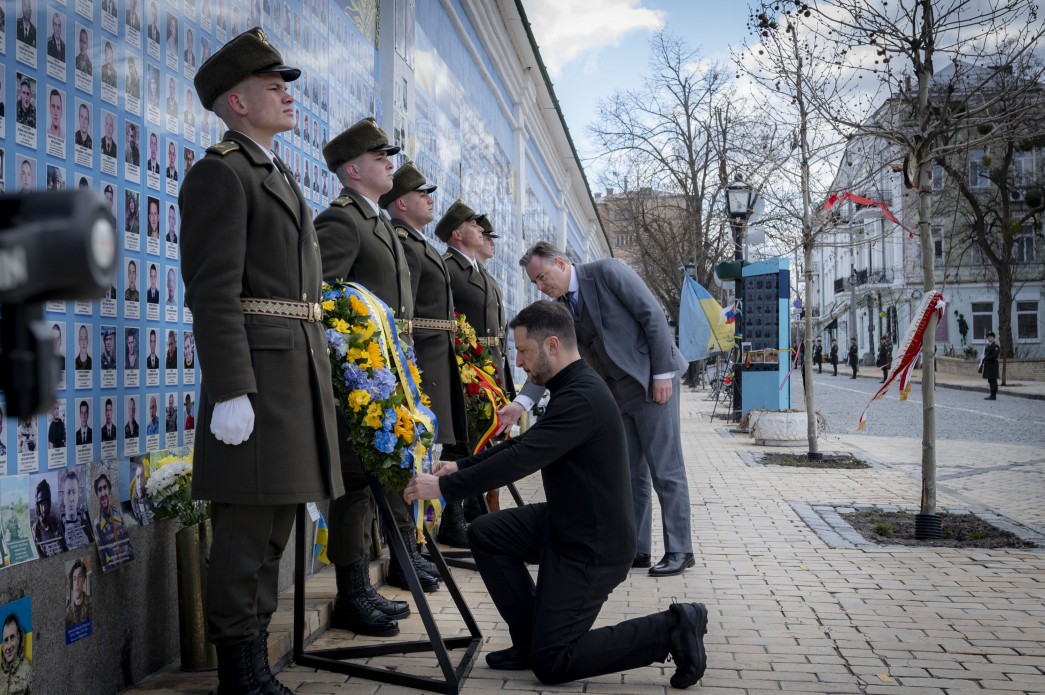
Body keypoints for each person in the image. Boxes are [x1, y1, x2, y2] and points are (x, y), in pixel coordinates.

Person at [404, 300, 708, 688]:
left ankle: (673, 627)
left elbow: (524, 458)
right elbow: (526, 445)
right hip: (567, 522)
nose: (518, 362)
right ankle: (531, 640)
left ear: (552, 345)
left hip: (592, 547)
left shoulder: (582, 396)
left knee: (554, 663)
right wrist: (460, 467)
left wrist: (444, 488)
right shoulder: (572, 387)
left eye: (524, 351)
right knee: (487, 533)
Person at [179, 27, 343, 693]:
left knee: (274, 524)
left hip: (292, 375)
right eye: (272, 86)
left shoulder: (274, 173)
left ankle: (253, 660)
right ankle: (238, 673)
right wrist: (230, 389)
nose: (286, 94)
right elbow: (212, 291)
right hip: (257, 378)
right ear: (237, 102)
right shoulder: (221, 173)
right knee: (245, 531)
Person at [503, 242, 693, 577]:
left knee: (665, 468)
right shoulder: (559, 308)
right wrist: (521, 403)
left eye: (543, 277)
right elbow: (550, 358)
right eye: (535, 283)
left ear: (561, 263)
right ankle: (637, 549)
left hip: (651, 383)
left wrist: (662, 373)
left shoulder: (608, 272)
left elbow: (652, 315)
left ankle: (680, 549)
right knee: (631, 474)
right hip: (615, 394)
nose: (541, 286)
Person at [315, 117, 434, 637]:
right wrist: (356, 369)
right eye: (380, 157)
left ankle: (362, 586)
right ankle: (350, 593)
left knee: (371, 483)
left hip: (389, 373)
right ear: (353, 169)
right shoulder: (341, 221)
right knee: (352, 486)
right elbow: (323, 297)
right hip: (359, 380)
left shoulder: (379, 223)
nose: (390, 164)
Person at [380, 161, 466, 589]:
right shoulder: (401, 241)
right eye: (422, 194)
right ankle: (406, 554)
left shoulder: (416, 241)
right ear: (401, 202)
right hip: (417, 359)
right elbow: (403, 310)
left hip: (432, 357)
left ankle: (415, 545)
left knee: (423, 455)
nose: (431, 199)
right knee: (409, 457)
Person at [436, 199, 511, 544]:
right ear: (456, 233)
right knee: (461, 445)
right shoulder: (448, 268)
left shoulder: (482, 274)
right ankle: (453, 522)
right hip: (465, 370)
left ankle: (472, 512)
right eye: (473, 224)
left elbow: (498, 333)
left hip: (488, 368)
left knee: (479, 443)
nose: (482, 230)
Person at [93, 473, 131, 558]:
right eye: (99, 490)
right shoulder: (97, 523)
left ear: (109, 490)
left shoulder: (119, 512)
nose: (103, 494)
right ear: (97, 495)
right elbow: (102, 551)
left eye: (105, 488)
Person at [59, 468, 94, 545]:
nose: (71, 498)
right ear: (63, 496)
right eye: (68, 493)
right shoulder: (59, 528)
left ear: (78, 495)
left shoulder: (86, 525)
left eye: (74, 492)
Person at [32, 478, 67, 554]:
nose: (44, 509)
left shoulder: (56, 522)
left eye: (45, 504)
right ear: (38, 506)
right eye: (41, 504)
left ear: (49, 504)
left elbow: (65, 546)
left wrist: (54, 529)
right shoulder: (36, 527)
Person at [1, 613, 32, 695]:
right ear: (3, 645)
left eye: (12, 638)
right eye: (6, 640)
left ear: (18, 638)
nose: (9, 646)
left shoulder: (27, 671)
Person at [66, 559, 91, 626]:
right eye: (74, 578)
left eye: (79, 577)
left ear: (84, 580)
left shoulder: (91, 603)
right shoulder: (67, 612)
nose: (76, 582)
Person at [981, 330, 1000, 400]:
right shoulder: (988, 347)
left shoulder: (996, 346)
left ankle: (993, 395)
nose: (989, 338)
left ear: (993, 338)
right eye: (988, 337)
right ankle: (991, 394)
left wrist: (985, 357)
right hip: (988, 366)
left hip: (993, 366)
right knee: (990, 380)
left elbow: (994, 356)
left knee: (993, 380)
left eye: (990, 337)